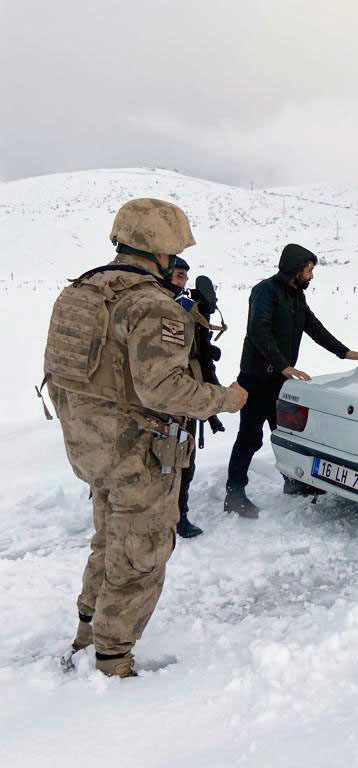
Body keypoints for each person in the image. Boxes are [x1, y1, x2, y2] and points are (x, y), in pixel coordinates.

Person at [44, 198, 248, 677]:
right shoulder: (152, 305)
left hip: (92, 450)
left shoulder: (81, 292)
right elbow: (164, 387)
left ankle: (87, 631)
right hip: (138, 454)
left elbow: (59, 374)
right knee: (141, 553)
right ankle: (113, 660)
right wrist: (226, 398)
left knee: (109, 540)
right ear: (161, 250)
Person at [224, 243, 358, 517]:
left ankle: (293, 481)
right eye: (309, 269)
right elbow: (258, 330)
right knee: (249, 437)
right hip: (256, 378)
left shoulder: (296, 297)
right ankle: (234, 494)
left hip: (281, 381)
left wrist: (346, 353)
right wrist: (282, 366)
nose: (312, 275)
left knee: (286, 434)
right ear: (295, 268)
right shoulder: (265, 291)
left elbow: (314, 328)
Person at [169, 258, 226, 538]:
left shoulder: (187, 306)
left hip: (187, 393)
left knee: (185, 457)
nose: (182, 282)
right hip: (158, 397)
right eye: (178, 275)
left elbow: (201, 350)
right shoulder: (150, 304)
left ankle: (180, 516)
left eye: (184, 278)